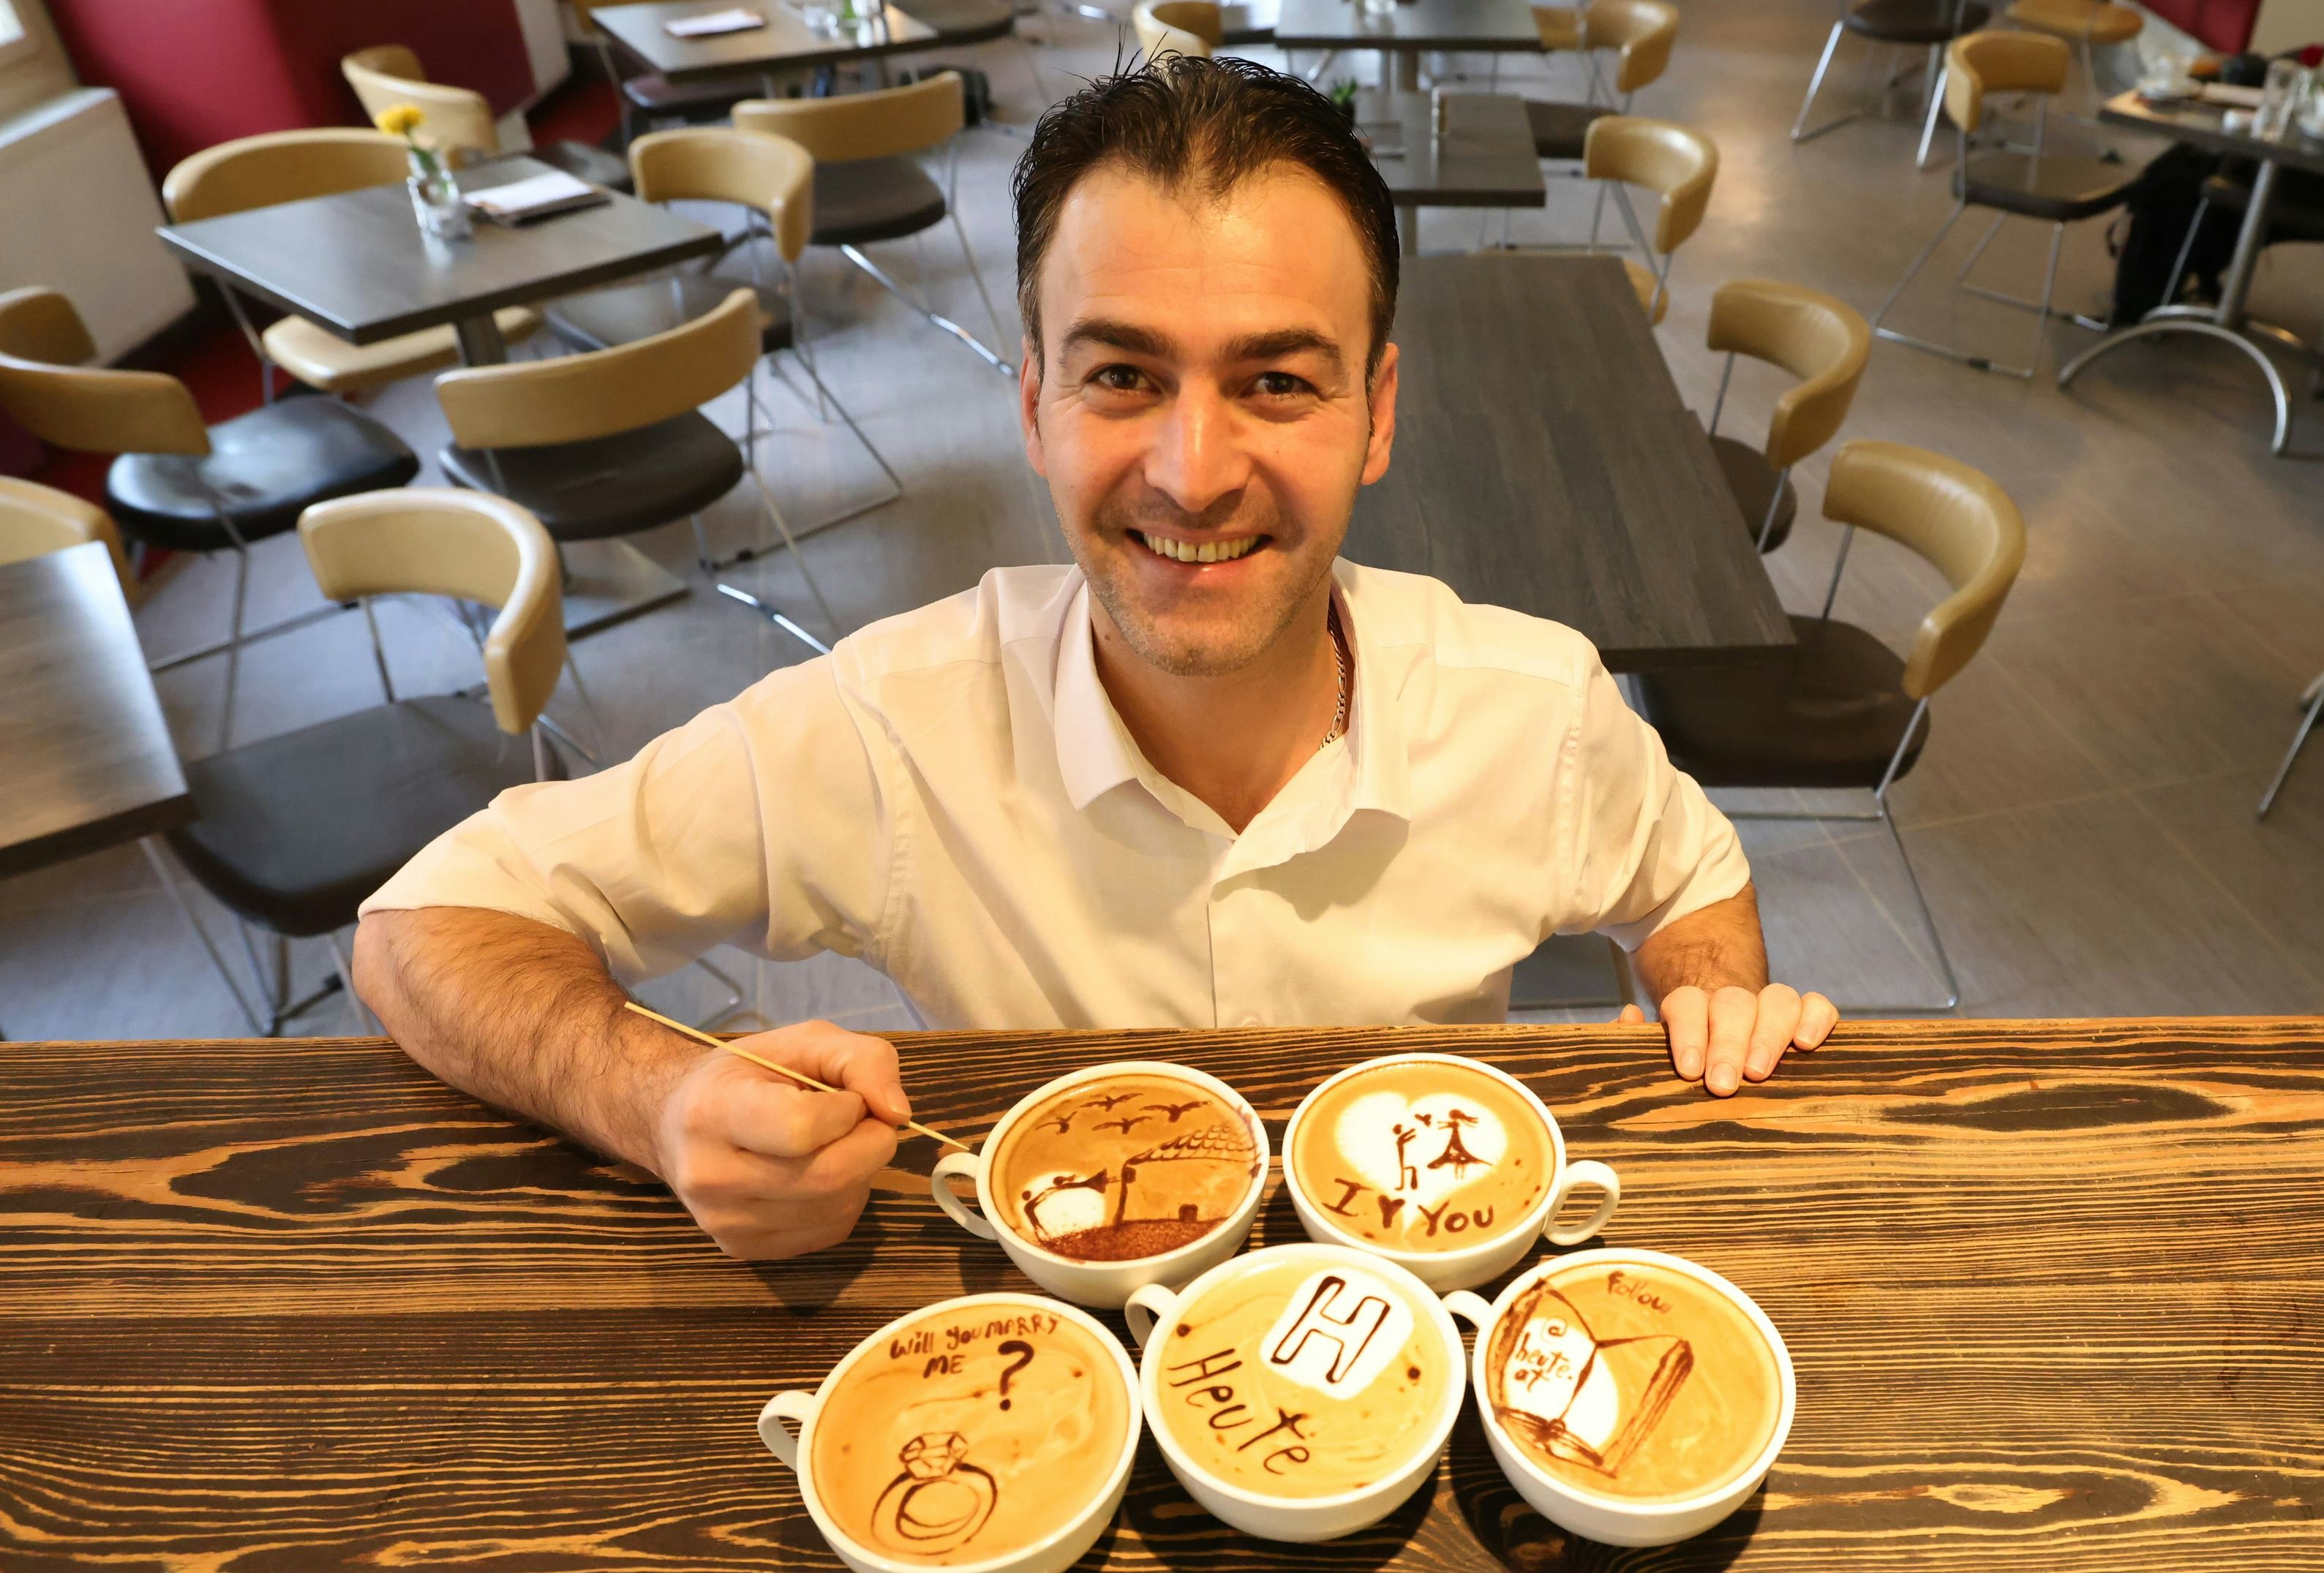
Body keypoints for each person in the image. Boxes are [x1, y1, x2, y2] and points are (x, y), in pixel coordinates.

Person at [354, 58, 1840, 1261]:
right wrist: (660, 1098)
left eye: (1275, 381)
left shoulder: (1534, 705)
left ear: (1377, 415)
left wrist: (1706, 997)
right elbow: (424, 925)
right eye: (1123, 376)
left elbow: (1687, 877)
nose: (1193, 475)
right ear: (1034, 406)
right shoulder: (891, 724)